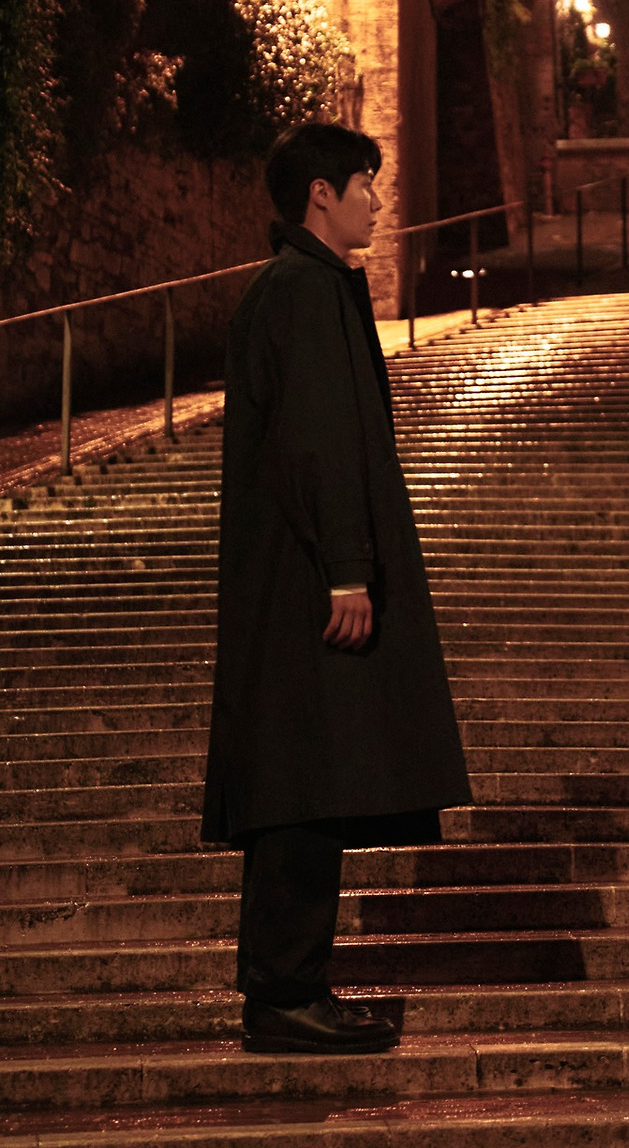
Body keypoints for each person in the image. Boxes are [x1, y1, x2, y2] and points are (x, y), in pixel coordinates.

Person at [202, 122, 472, 1055]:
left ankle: (290, 986)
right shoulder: (303, 292)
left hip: (293, 573)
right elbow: (318, 439)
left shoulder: (302, 288)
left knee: (305, 777)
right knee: (300, 781)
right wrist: (348, 568)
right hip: (306, 578)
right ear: (321, 193)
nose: (377, 201)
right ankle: (284, 992)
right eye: (364, 182)